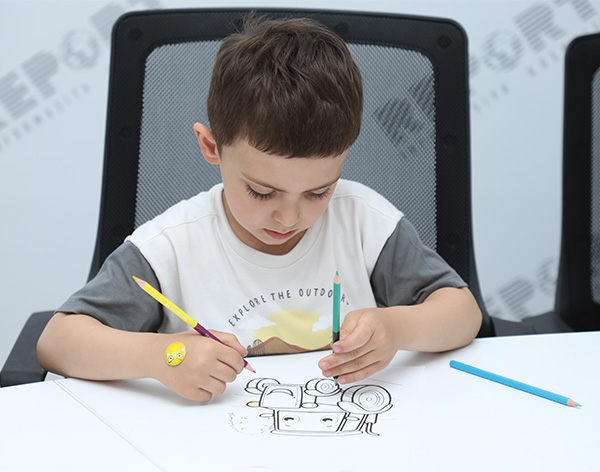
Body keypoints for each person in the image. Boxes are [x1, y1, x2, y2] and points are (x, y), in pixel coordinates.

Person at [37, 15, 482, 403]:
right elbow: (58, 342)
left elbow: (463, 313)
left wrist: (397, 328)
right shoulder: (169, 247)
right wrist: (166, 356)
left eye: (318, 192)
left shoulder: (363, 222)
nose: (290, 218)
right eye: (262, 193)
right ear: (211, 147)